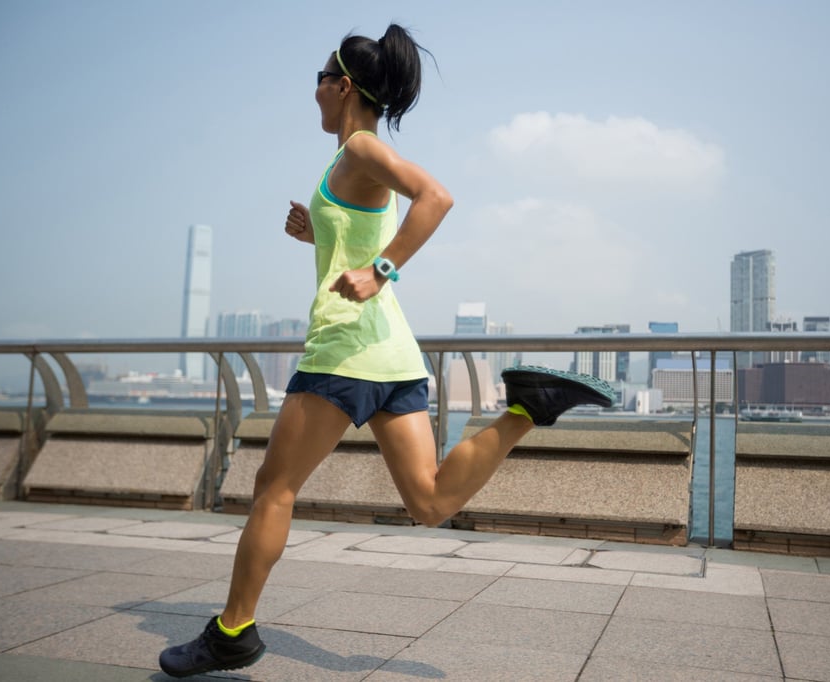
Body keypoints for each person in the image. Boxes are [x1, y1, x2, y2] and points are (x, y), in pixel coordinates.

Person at [158, 24, 614, 678]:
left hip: (343, 351)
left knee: (272, 489)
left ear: (341, 85)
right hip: (393, 354)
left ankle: (233, 633)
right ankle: (523, 411)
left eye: (319, 79)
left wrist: (382, 271)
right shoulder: (347, 161)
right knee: (429, 502)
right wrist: (315, 230)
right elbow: (360, 230)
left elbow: (437, 197)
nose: (312, 91)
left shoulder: (362, 149)